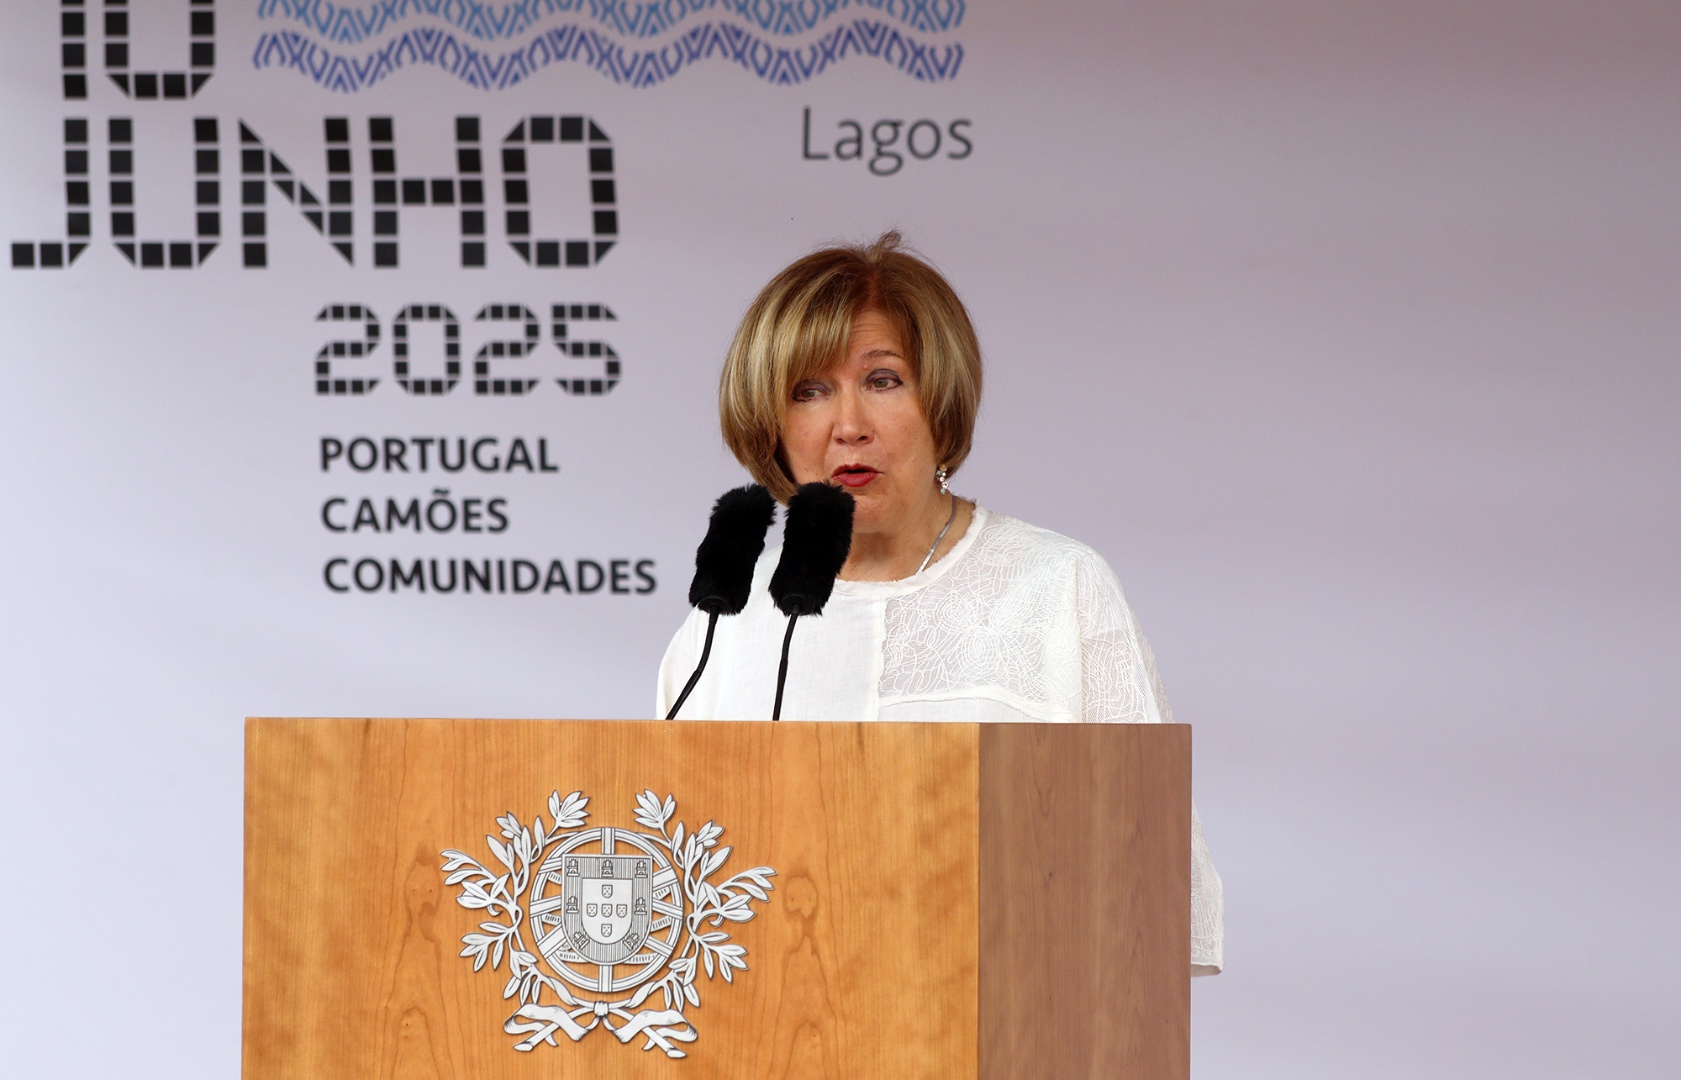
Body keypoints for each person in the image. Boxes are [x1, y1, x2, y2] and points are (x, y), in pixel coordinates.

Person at [656, 232, 1224, 975]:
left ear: (940, 402)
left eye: (882, 380)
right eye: (809, 390)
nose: (848, 424)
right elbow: (667, 881)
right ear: (771, 423)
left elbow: (1151, 892)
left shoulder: (1056, 587)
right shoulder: (726, 620)